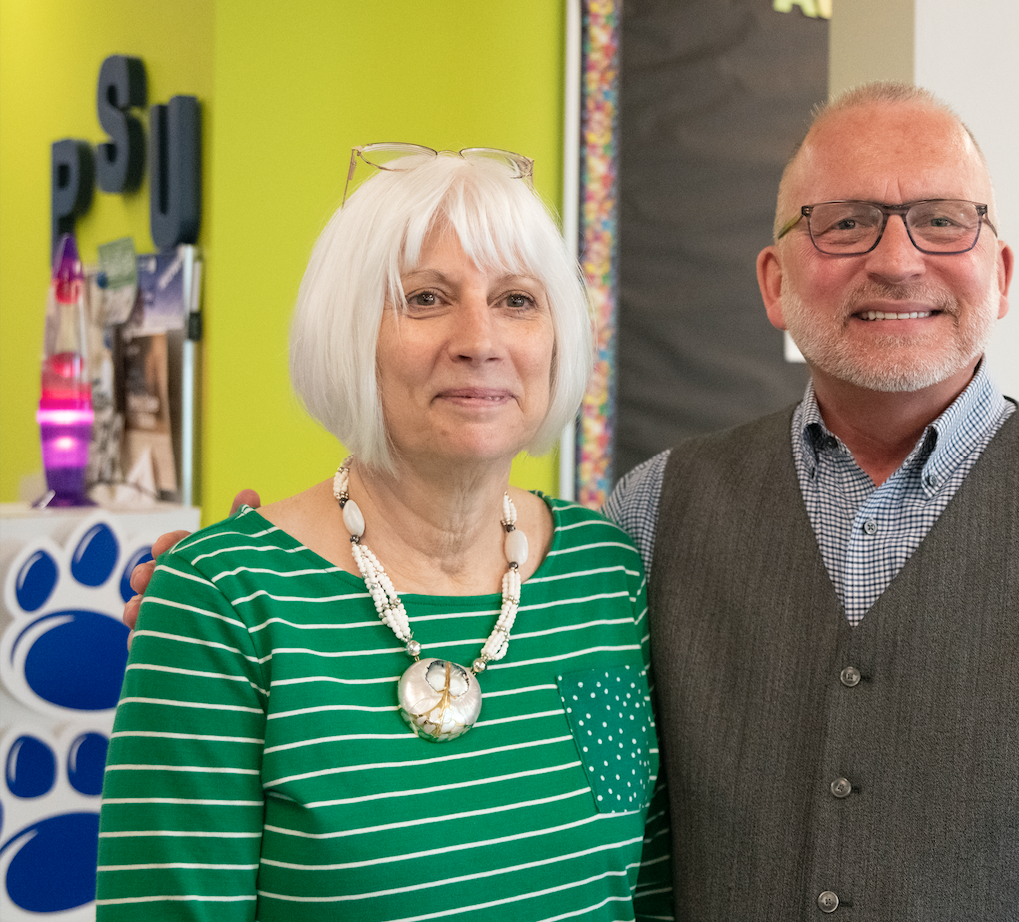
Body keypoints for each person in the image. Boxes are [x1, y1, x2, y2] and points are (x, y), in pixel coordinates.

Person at [128, 85, 1019, 919]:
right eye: (844, 221)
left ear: (997, 271)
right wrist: (222, 580)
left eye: (941, 220)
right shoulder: (644, 523)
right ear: (773, 279)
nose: (897, 258)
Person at [98, 146, 671, 921]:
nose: (480, 338)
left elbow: (655, 892)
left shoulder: (606, 572)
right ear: (345, 334)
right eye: (426, 298)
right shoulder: (221, 601)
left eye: (517, 300)